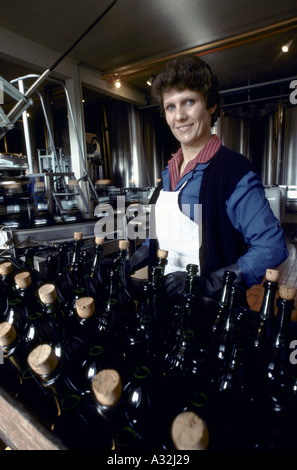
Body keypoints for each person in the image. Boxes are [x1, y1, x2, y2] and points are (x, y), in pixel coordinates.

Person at [126, 54, 288, 301]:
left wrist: (207, 284)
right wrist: (131, 261)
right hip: (167, 305)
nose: (179, 116)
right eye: (171, 106)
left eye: (189, 102)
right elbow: (158, 239)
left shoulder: (233, 171)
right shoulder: (167, 173)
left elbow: (271, 247)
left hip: (214, 312)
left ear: (211, 105)